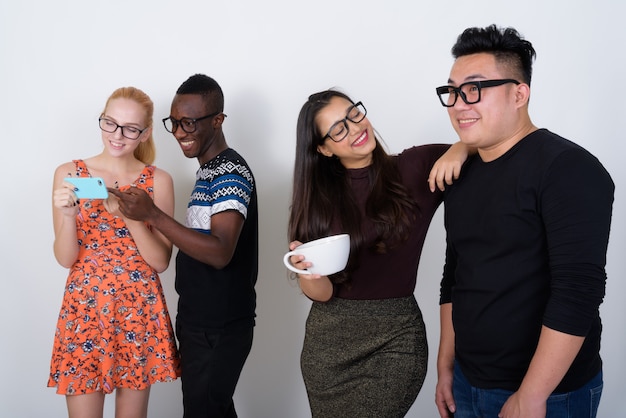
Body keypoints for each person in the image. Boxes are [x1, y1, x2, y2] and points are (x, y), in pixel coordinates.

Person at [434, 25, 615, 418]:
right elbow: (455, 274)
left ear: (519, 93)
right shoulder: (461, 171)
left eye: (475, 89)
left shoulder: (568, 168)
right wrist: (446, 366)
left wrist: (532, 394)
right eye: (452, 91)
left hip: (548, 394)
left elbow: (579, 292)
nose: (459, 103)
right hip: (467, 381)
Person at [287, 89, 469, 417]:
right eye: (338, 129)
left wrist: (459, 148)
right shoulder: (318, 203)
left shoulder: (416, 167)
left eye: (353, 114)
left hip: (397, 339)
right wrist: (309, 273)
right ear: (323, 148)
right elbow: (323, 293)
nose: (355, 128)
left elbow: (484, 143)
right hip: (328, 345)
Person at [108, 74, 258, 418]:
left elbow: (221, 252)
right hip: (202, 322)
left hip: (218, 326)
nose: (179, 132)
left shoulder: (230, 172)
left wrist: (153, 215)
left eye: (189, 122)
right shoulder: (208, 172)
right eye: (174, 123)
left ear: (218, 121)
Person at [48, 86, 180, 417]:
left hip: (138, 308)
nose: (117, 135)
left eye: (130, 128)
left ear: (145, 133)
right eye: (110, 123)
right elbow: (66, 259)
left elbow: (161, 261)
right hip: (86, 309)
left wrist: (130, 218)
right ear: (102, 121)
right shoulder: (69, 174)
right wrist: (66, 215)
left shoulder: (158, 180)